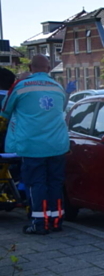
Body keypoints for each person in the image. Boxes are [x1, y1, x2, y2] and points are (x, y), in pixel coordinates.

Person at [0, 55, 68, 234]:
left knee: (35, 184)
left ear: (30, 67)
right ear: (48, 68)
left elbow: (4, 112)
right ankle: (56, 221)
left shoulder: (21, 86)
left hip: (33, 146)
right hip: (58, 144)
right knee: (55, 183)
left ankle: (39, 224)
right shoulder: (59, 87)